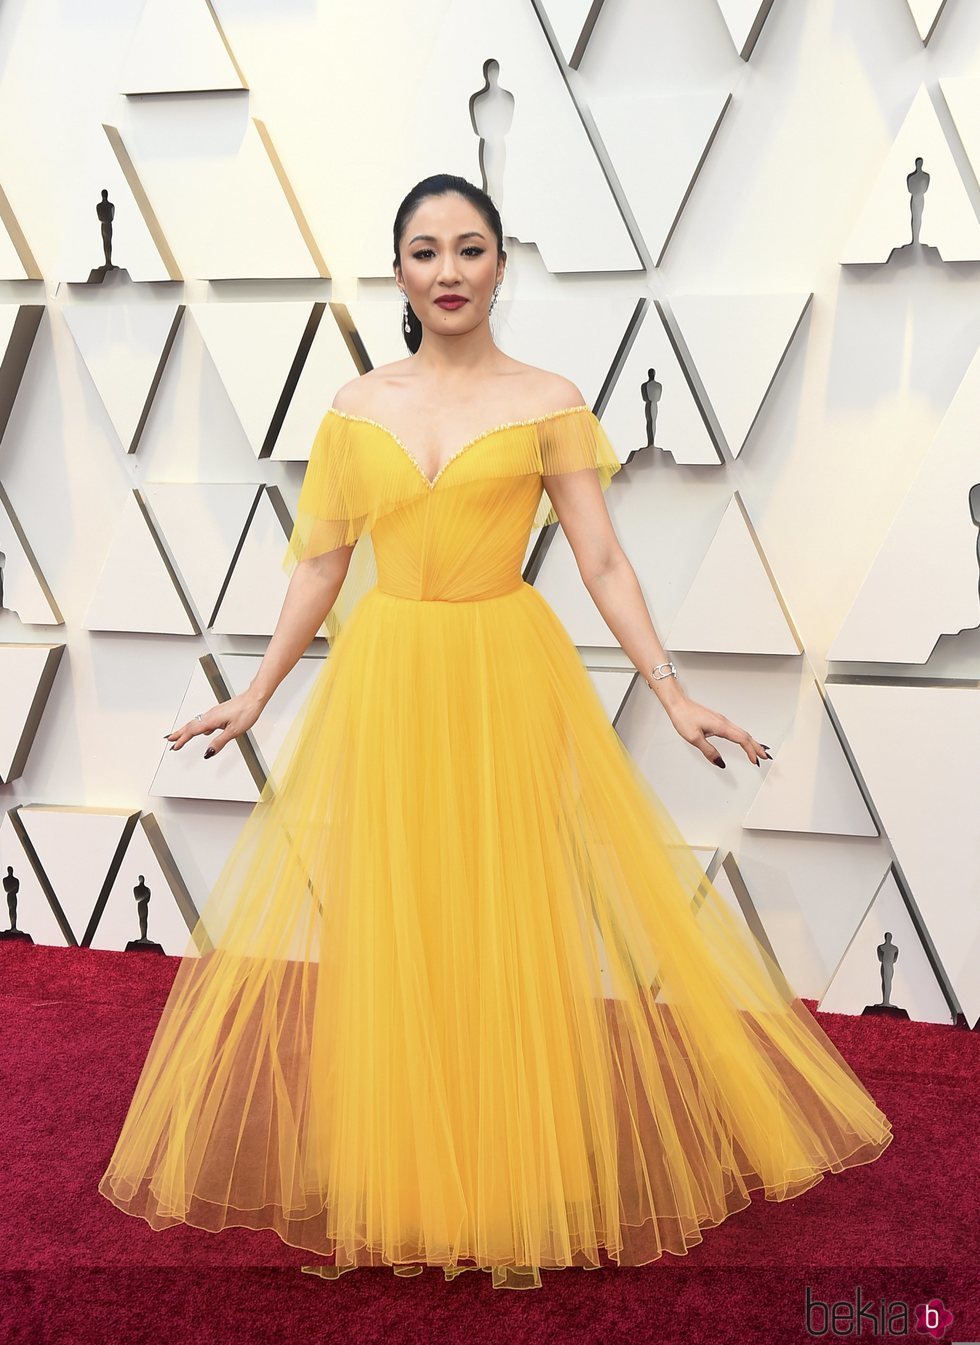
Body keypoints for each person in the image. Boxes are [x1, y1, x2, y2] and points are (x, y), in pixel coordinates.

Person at [98, 174, 893, 1292]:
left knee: (503, 910)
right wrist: (255, 694)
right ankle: (411, 1172)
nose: (449, 271)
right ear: (399, 274)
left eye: (470, 249)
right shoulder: (352, 407)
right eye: (425, 252)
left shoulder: (547, 399)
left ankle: (511, 1170)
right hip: (388, 671)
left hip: (504, 670)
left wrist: (669, 692)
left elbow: (601, 558)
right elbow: (321, 566)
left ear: (500, 266)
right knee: (397, 914)